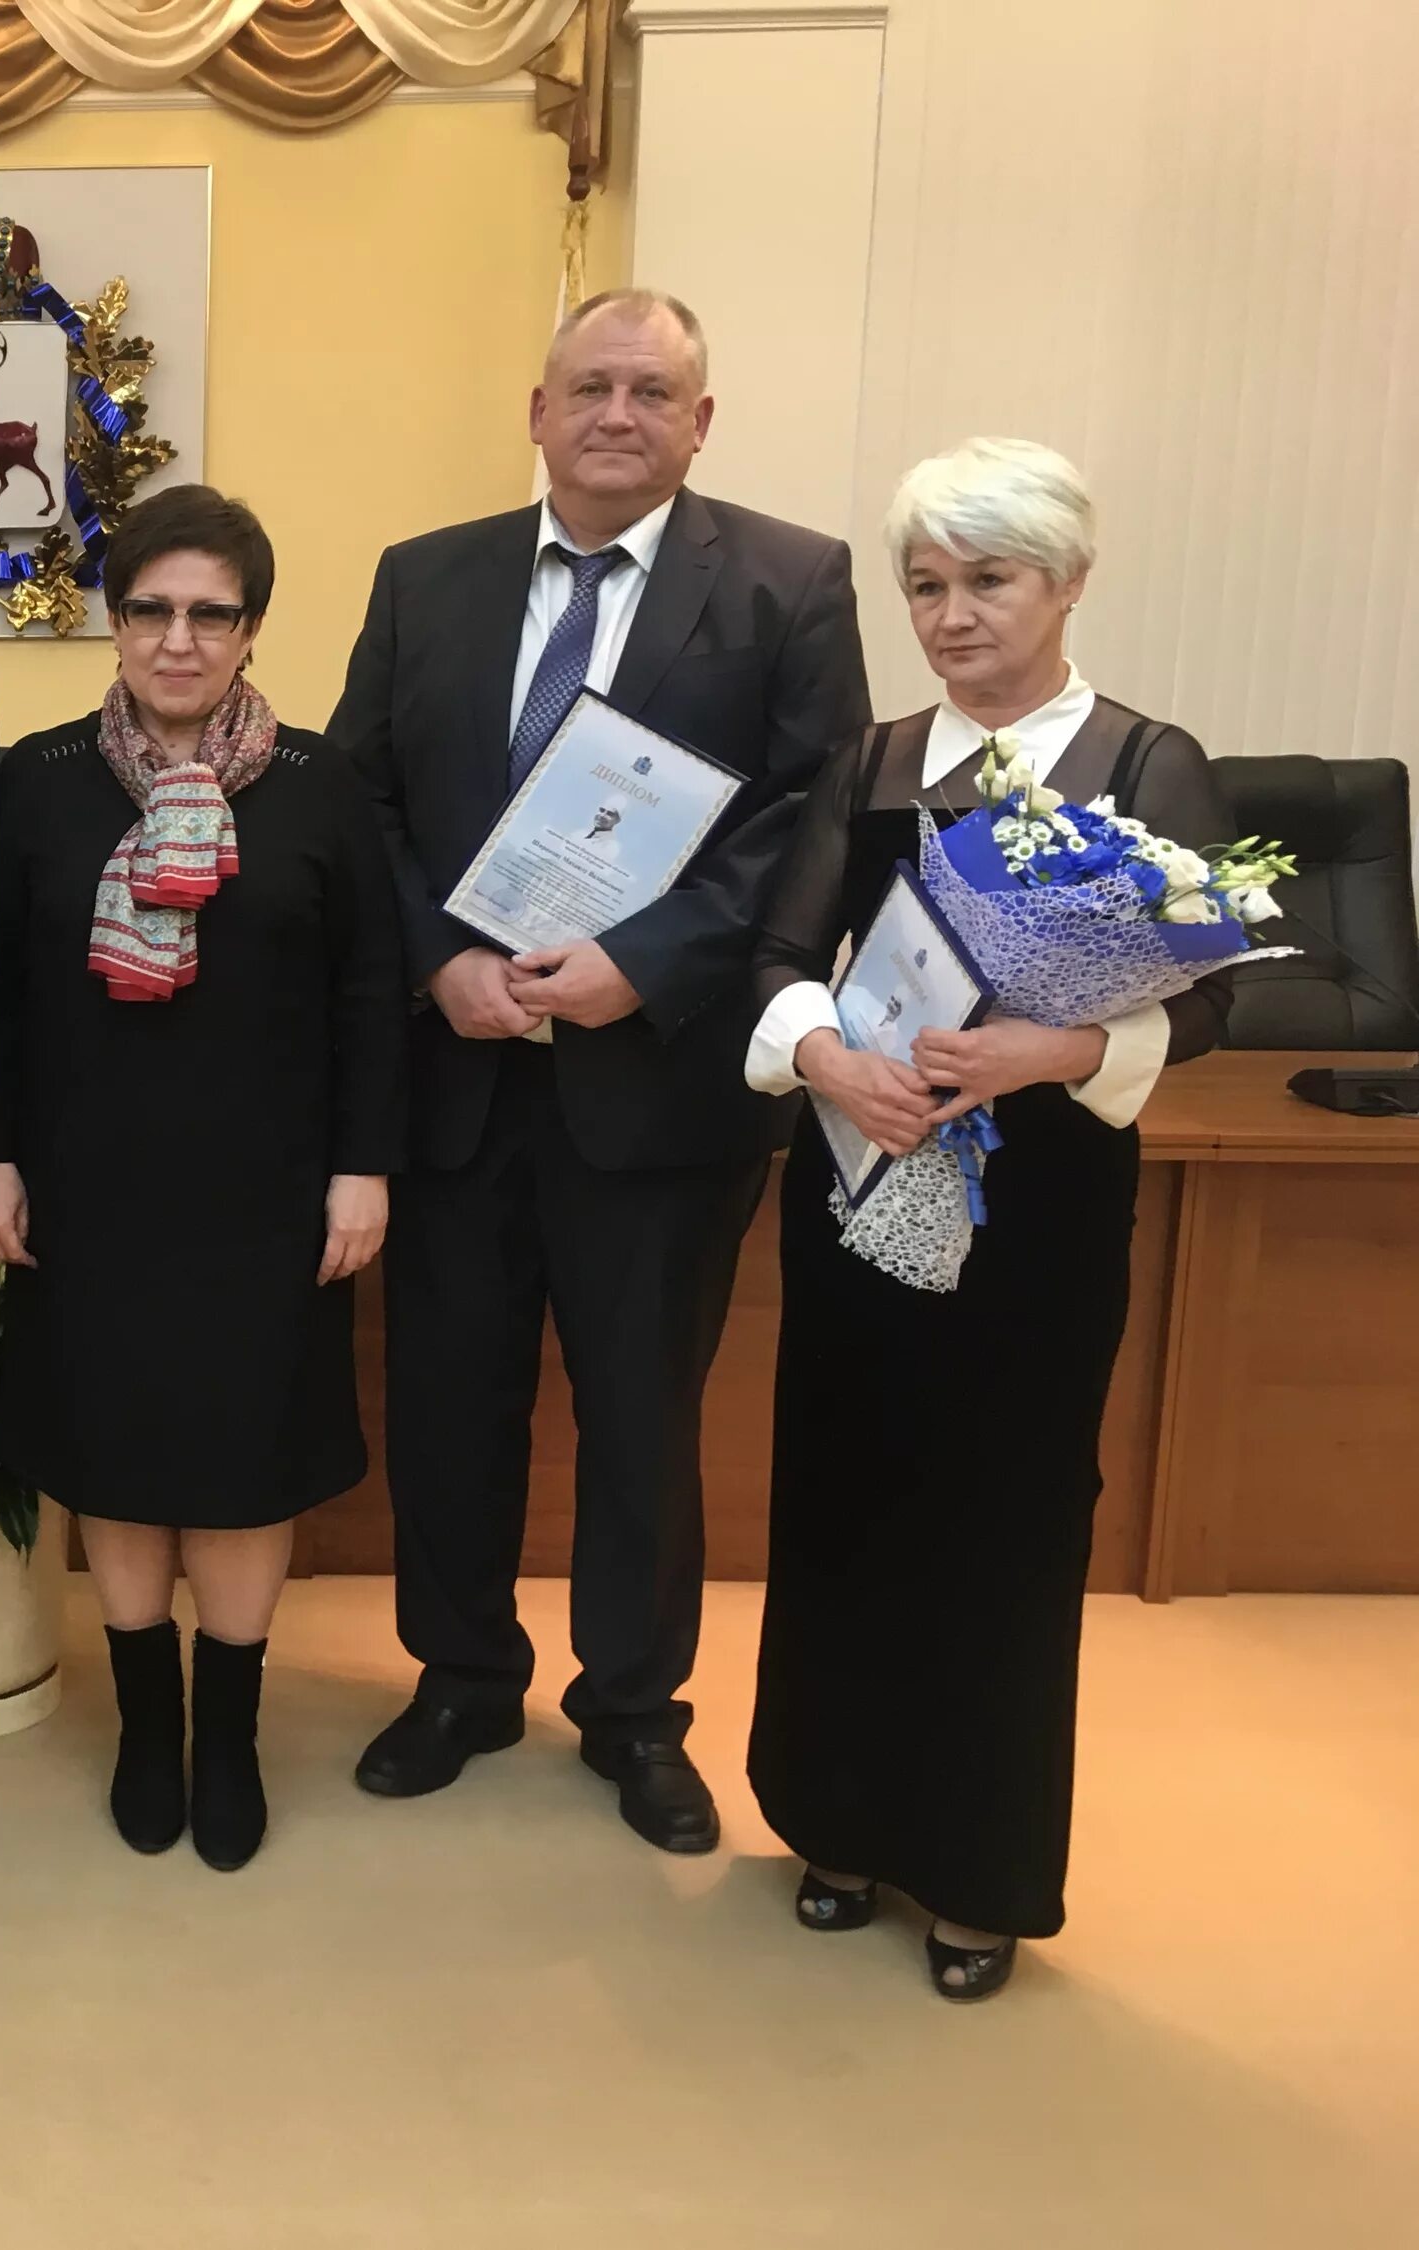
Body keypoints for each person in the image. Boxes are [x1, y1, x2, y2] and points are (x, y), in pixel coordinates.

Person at [328, 288, 871, 1853]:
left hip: (661, 1085)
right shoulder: (428, 578)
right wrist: (441, 958)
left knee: (642, 1415)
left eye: (653, 391)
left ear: (700, 422)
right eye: (590, 386)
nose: (617, 414)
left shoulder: (786, 580)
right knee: (450, 1401)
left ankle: (634, 1709)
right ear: (538, 407)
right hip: (461, 1073)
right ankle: (462, 1675)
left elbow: (806, 815)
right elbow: (364, 801)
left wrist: (652, 963)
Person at [744, 438, 1232, 2000]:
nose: (953, 616)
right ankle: (834, 1822)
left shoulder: (1147, 763)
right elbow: (774, 945)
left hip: (1040, 1217)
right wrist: (826, 1054)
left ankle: (974, 1867)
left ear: (1068, 580)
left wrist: (1056, 1047)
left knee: (1003, 1526)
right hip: (861, 1182)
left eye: (989, 581)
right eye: (927, 585)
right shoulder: (875, 755)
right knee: (845, 1496)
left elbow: (1210, 995)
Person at [0, 485, 402, 1870]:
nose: (177, 637)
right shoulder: (33, 780)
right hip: (90, 1184)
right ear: (112, 617)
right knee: (117, 1449)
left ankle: (230, 1733)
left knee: (240, 1462)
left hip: (267, 1190)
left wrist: (361, 1171)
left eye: (210, 612)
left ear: (252, 628)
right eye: (150, 607)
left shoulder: (327, 786)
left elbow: (371, 997)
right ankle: (148, 1728)